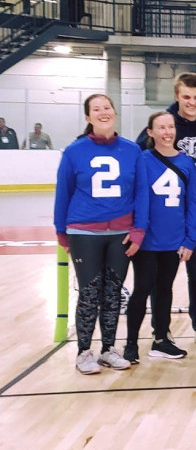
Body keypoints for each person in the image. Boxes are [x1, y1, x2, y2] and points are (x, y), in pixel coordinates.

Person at [136, 72, 196, 349]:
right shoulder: (164, 121)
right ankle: (160, 332)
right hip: (164, 211)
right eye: (186, 97)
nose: (192, 102)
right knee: (159, 277)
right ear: (177, 96)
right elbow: (137, 152)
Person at [54, 93, 147, 374]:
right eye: (96, 109)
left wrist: (139, 229)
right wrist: (61, 231)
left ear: (114, 113)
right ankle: (84, 352)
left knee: (113, 293)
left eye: (107, 107)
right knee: (89, 292)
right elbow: (63, 192)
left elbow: (141, 193)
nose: (103, 112)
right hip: (84, 231)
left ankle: (108, 349)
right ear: (88, 117)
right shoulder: (74, 151)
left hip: (121, 233)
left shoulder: (132, 150)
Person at [124, 112, 196, 363]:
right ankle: (131, 343)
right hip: (147, 240)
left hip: (174, 239)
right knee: (143, 288)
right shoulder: (142, 160)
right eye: (161, 128)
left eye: (170, 127)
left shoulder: (186, 162)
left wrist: (190, 239)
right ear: (150, 132)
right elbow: (134, 199)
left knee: (165, 289)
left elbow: (193, 204)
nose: (167, 132)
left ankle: (161, 340)